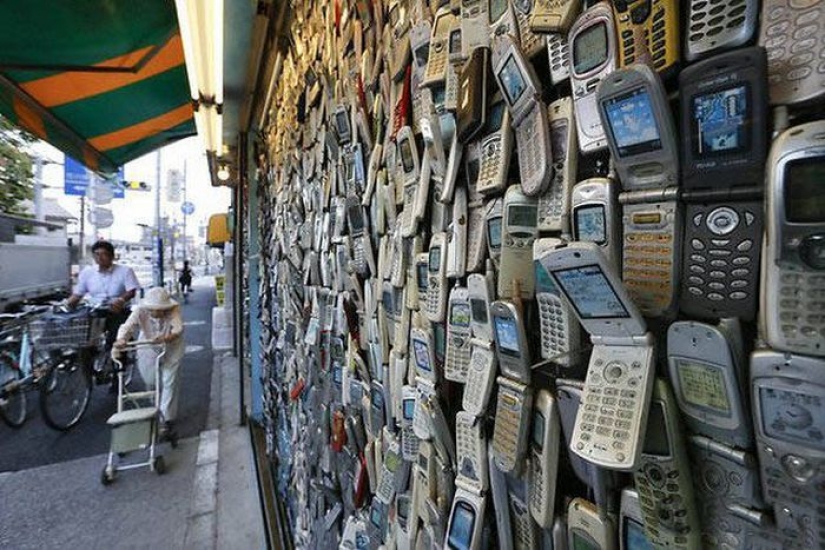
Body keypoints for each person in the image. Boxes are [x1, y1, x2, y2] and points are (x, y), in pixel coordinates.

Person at [66, 240, 140, 386]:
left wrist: (120, 300)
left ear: (112, 256)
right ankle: (91, 374)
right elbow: (78, 294)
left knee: (116, 341)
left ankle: (118, 373)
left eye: (104, 254)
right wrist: (67, 305)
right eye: (97, 255)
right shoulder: (88, 273)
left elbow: (131, 291)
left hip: (118, 311)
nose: (100, 258)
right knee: (84, 342)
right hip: (96, 311)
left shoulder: (125, 271)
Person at [114, 287, 185, 440]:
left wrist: (166, 338)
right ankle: (154, 409)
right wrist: (121, 340)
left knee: (169, 381)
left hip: (172, 345)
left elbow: (178, 328)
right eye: (153, 309)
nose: (156, 313)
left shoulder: (174, 309)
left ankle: (166, 419)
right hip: (147, 342)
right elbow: (128, 325)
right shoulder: (140, 310)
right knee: (150, 380)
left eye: (160, 309)